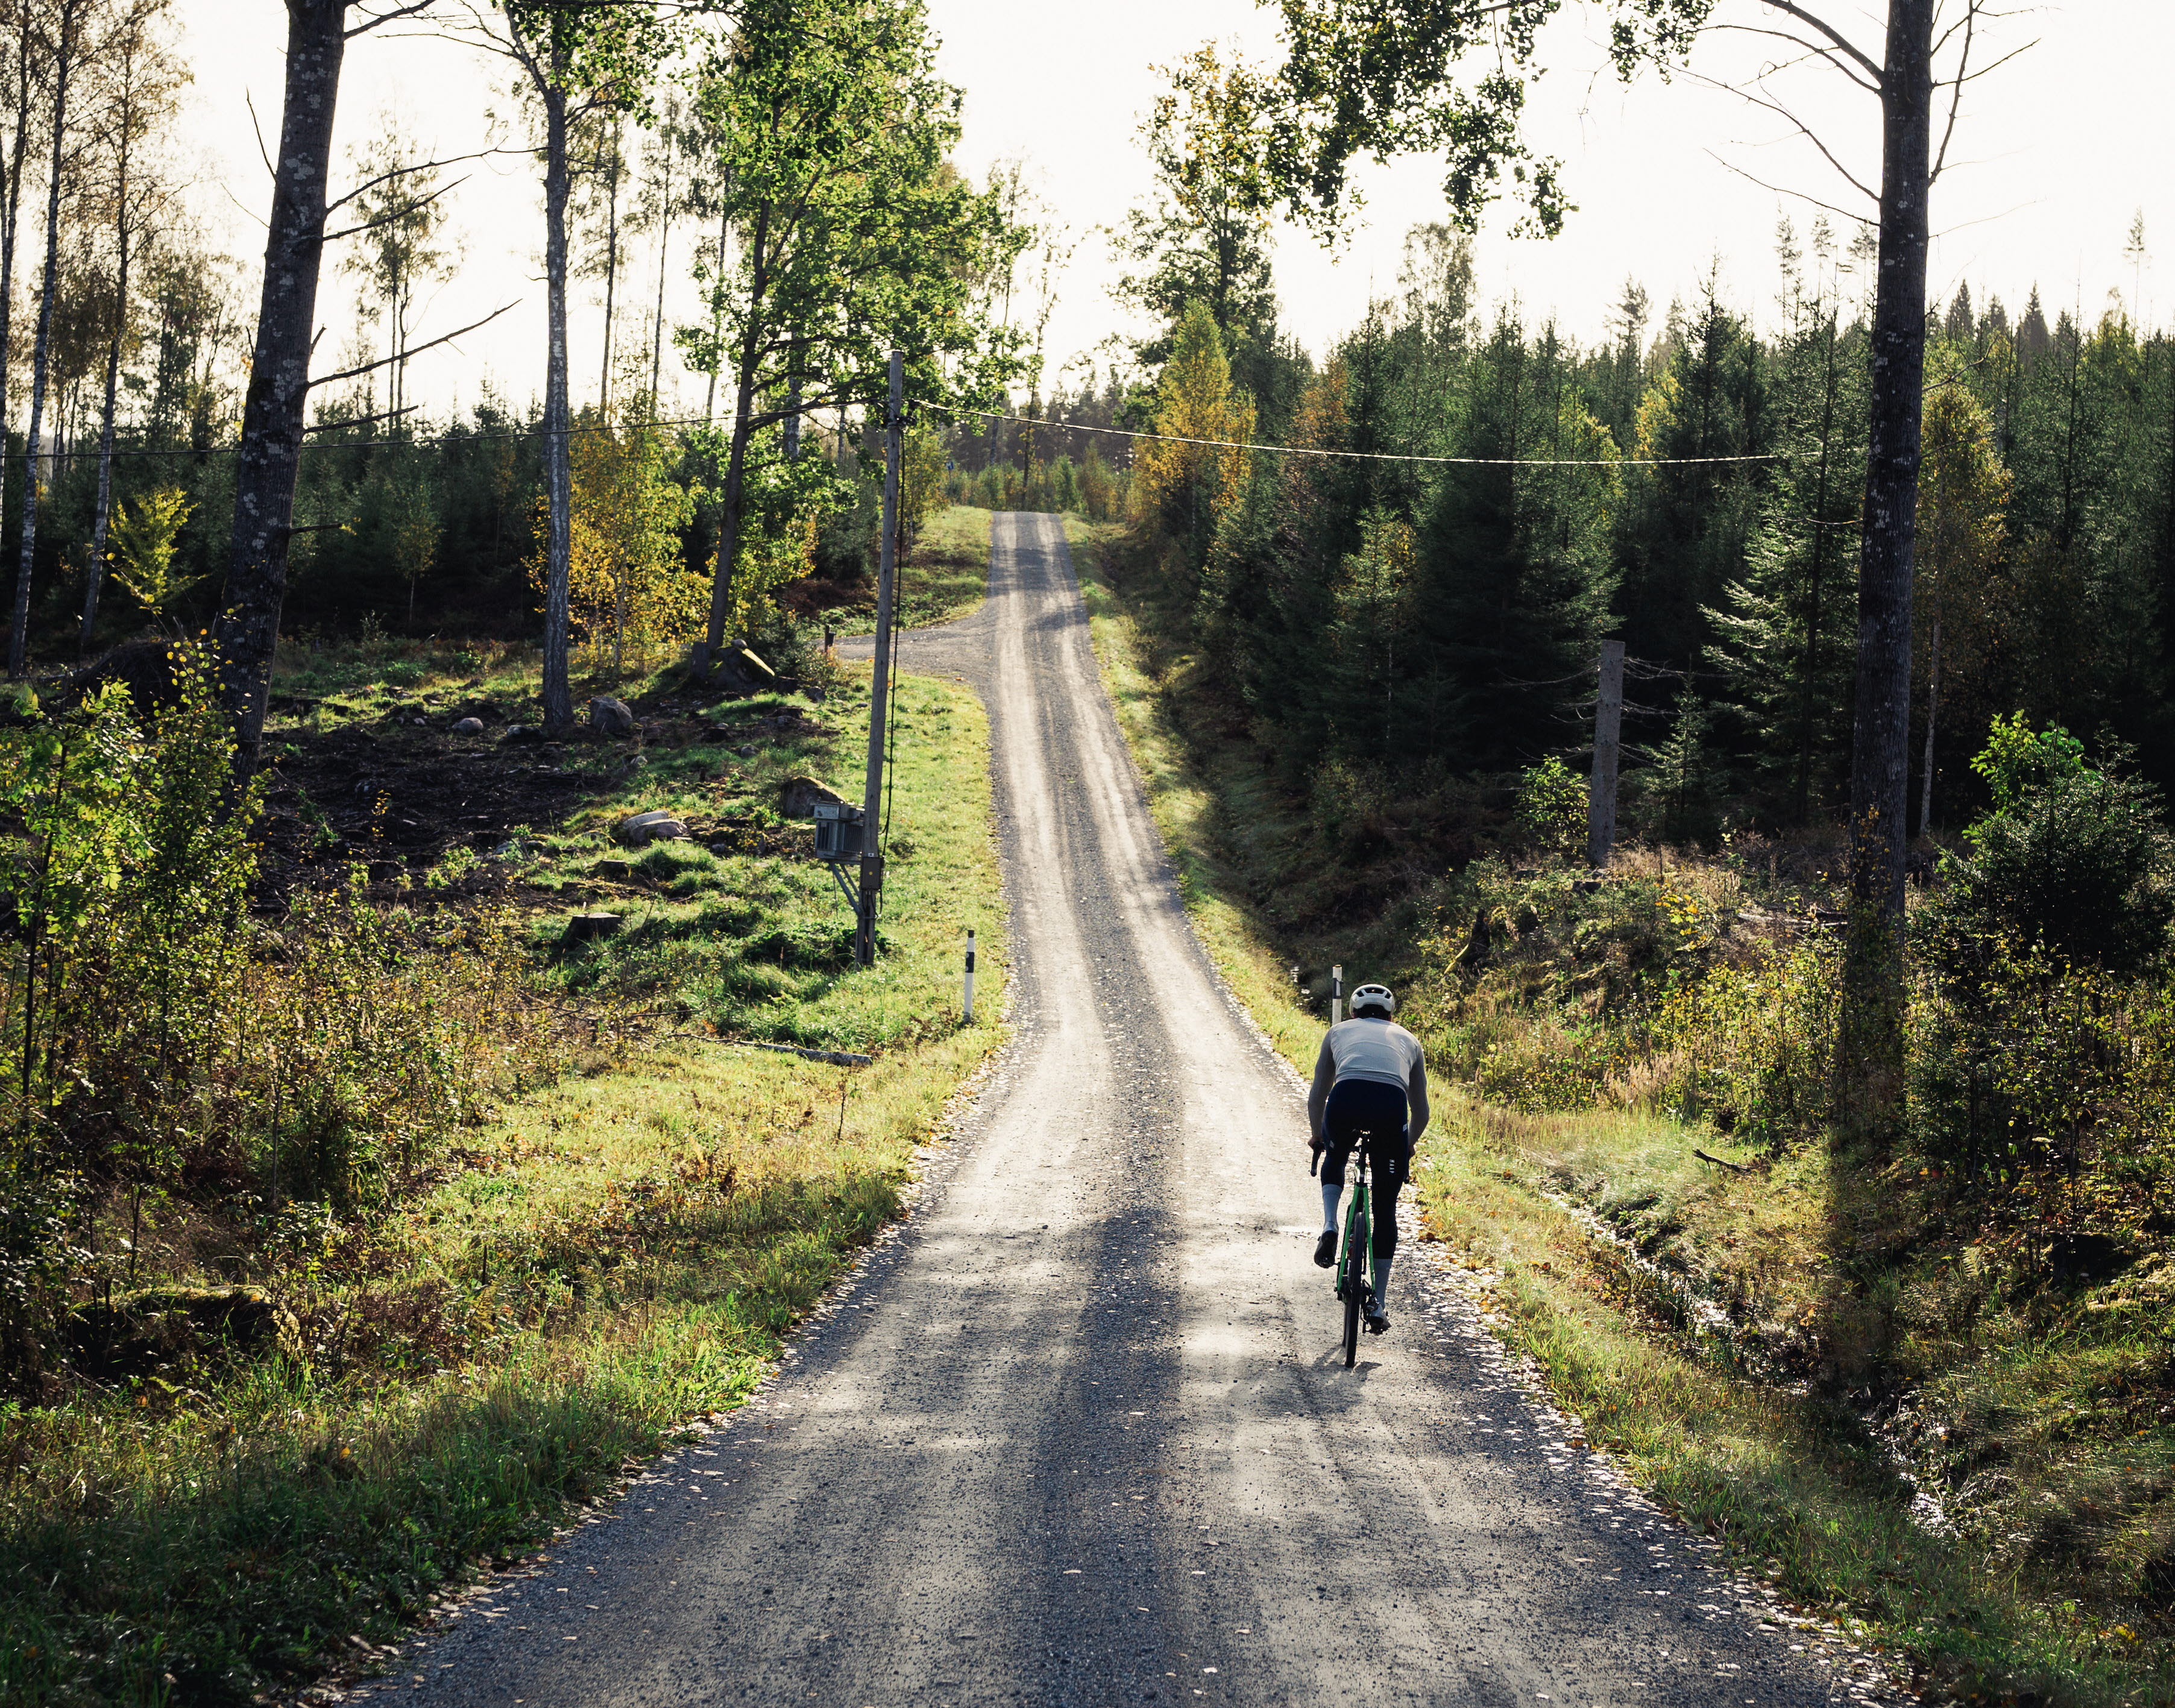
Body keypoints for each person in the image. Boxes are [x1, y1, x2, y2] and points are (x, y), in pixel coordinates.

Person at [1306, 982, 1429, 1336]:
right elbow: (1421, 1111)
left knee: (1336, 1151)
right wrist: (1406, 1144)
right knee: (1385, 1209)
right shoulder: (1409, 1039)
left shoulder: (1337, 1031)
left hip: (1346, 1099)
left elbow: (1318, 1094)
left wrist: (1319, 1135)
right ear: (1392, 1015)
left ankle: (1330, 1225)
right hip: (1391, 1108)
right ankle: (1379, 1303)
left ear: (1353, 1013)